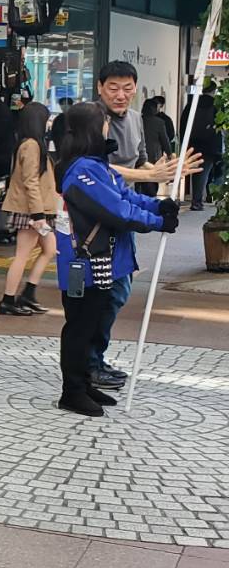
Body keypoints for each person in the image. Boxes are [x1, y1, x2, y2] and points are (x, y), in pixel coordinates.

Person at [55, 102, 176, 417]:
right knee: (80, 327)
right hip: (83, 261)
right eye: (104, 122)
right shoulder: (81, 170)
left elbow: (127, 197)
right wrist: (157, 222)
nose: (109, 126)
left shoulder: (98, 166)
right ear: (93, 129)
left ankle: (84, 382)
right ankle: (72, 391)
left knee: (93, 322)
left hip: (101, 260)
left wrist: (158, 206)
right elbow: (116, 211)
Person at [91, 61, 200, 390]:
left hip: (124, 210)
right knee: (98, 293)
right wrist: (150, 176)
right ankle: (88, 364)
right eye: (113, 87)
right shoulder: (92, 119)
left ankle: (95, 358)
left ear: (136, 89)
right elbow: (98, 168)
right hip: (95, 214)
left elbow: (139, 161)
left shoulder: (137, 119)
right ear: (100, 87)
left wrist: (165, 172)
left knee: (119, 289)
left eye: (127, 88)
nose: (121, 94)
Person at [0, 102, 58, 317]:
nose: (48, 123)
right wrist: (38, 215)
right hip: (31, 211)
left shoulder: (31, 144)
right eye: (46, 119)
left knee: (50, 249)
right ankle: (8, 299)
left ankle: (28, 294)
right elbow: (30, 181)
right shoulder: (31, 145)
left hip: (38, 209)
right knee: (22, 255)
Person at [181, 79, 224, 211]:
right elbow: (221, 126)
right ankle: (210, 198)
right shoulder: (216, 105)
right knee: (212, 172)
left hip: (193, 144)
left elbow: (183, 124)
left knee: (197, 172)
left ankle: (197, 199)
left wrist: (185, 143)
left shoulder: (191, 104)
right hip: (210, 145)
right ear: (213, 91)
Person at [138, 97, 175, 197]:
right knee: (152, 181)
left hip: (137, 155)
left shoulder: (137, 120)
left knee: (137, 180)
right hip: (153, 156)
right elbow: (165, 140)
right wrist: (170, 154)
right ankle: (151, 200)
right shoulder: (159, 122)